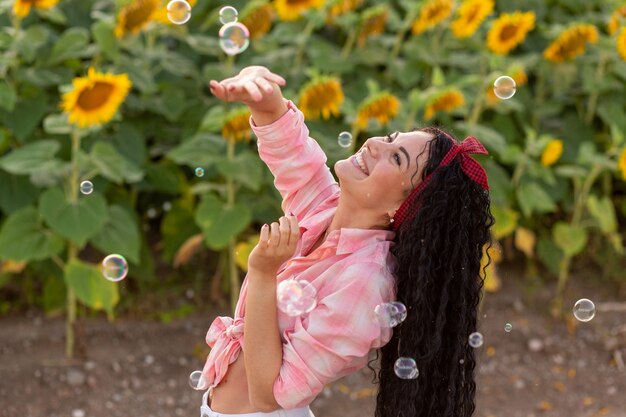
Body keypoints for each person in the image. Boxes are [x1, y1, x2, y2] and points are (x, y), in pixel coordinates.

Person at [199, 65, 495, 417]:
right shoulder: (324, 210)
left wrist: (263, 274)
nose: (373, 145)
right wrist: (264, 100)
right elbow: (294, 156)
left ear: (406, 208)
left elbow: (268, 397)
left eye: (396, 157)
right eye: (390, 139)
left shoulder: (365, 285)